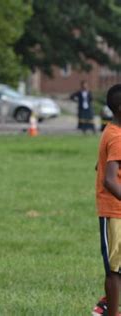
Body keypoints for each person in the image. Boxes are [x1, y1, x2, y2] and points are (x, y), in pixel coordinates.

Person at [92, 84, 121, 316]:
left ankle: (106, 305)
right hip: (114, 212)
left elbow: (99, 166)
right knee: (114, 270)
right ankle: (110, 311)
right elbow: (109, 180)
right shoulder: (117, 137)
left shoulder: (112, 131)